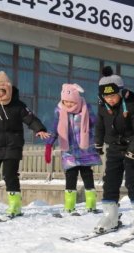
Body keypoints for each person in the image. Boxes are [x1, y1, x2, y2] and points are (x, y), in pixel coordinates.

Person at [0, 71, 49, 216]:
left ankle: (15, 205)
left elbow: (30, 118)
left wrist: (39, 129)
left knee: (10, 175)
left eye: (0, 91)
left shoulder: (18, 105)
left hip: (12, 145)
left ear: (7, 90)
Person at [94, 66, 134, 235]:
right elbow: (99, 126)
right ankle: (110, 215)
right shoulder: (102, 108)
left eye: (113, 95)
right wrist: (98, 143)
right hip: (114, 148)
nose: (110, 99)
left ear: (120, 92)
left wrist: (133, 150)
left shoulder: (132, 107)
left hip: (133, 147)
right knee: (110, 181)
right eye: (106, 96)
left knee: (133, 181)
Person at [44, 83, 102, 215]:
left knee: (87, 174)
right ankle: (69, 205)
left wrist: (91, 117)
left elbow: (96, 123)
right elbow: (54, 128)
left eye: (71, 101)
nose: (68, 104)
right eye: (65, 101)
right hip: (69, 150)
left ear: (76, 99)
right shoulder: (59, 110)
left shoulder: (86, 108)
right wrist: (49, 144)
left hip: (85, 149)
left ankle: (91, 205)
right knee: (71, 175)